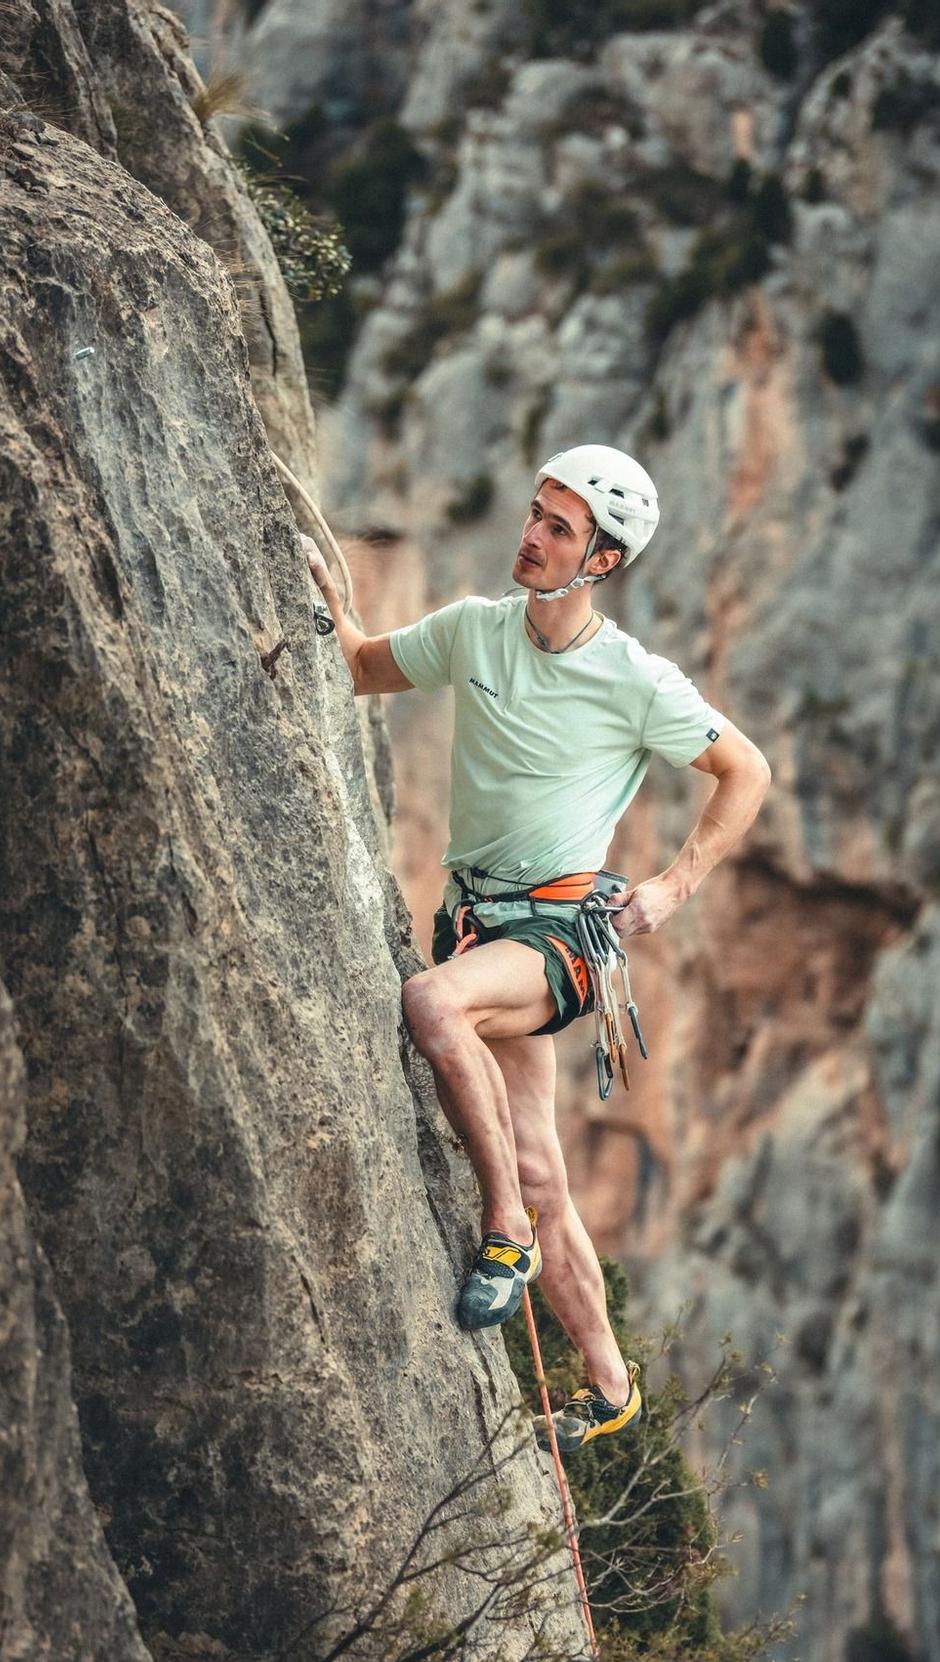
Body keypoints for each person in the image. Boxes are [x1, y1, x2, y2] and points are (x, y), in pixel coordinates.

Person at [302, 444, 771, 1454]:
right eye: (534, 513)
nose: (531, 536)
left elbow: (745, 772)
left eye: (558, 528)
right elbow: (357, 667)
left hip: (561, 935)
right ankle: (610, 1388)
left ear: (597, 561)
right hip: (473, 918)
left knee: (432, 1008)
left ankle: (503, 1230)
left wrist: (670, 886)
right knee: (546, 1167)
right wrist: (320, 587)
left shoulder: (635, 681)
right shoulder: (476, 631)